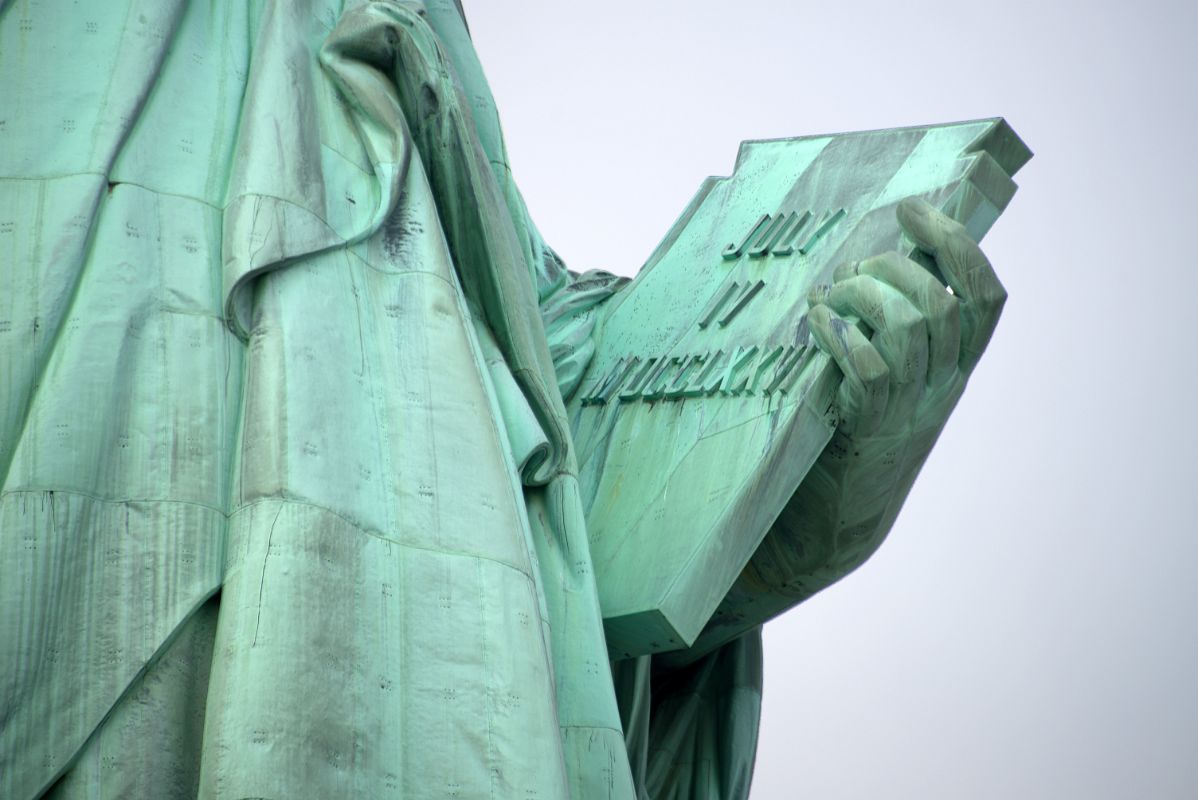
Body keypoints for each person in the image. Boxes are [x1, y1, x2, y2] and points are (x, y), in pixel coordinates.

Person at [0, 1, 1006, 797]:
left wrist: (825, 464)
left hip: (374, 614)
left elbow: (538, 400)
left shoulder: (410, 28)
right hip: (92, 496)